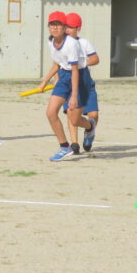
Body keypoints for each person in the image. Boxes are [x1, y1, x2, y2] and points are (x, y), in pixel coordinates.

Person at [36, 11, 95, 162]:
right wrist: (45, 81)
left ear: (64, 27)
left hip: (80, 77)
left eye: (59, 25)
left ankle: (89, 126)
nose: (55, 28)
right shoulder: (50, 42)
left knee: (74, 119)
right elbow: (57, 63)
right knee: (50, 112)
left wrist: (74, 95)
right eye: (52, 25)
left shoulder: (71, 44)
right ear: (48, 27)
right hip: (63, 75)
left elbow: (75, 70)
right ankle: (64, 147)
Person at [65, 13, 100, 153]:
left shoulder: (83, 43)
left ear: (78, 28)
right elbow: (57, 63)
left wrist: (82, 62)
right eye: (65, 26)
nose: (67, 30)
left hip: (85, 83)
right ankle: (74, 144)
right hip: (69, 85)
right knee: (70, 113)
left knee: (94, 114)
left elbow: (96, 59)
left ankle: (89, 131)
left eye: (71, 27)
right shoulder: (61, 44)